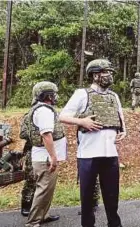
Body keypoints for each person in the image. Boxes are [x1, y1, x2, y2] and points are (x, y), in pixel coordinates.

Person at [59, 59, 126, 227]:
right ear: (95, 75)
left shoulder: (114, 96)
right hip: (88, 155)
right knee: (87, 198)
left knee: (112, 196)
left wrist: (123, 131)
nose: (109, 75)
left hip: (110, 154)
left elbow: (120, 117)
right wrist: (83, 122)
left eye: (110, 72)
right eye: (106, 72)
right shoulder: (82, 94)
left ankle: (114, 224)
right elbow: (62, 116)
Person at [25, 81, 67, 227]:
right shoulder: (44, 111)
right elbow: (46, 135)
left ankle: (43, 215)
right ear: (47, 95)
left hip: (44, 157)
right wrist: (53, 157)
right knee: (43, 191)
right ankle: (33, 222)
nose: (56, 96)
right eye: (54, 94)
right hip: (45, 158)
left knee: (47, 190)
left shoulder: (43, 109)